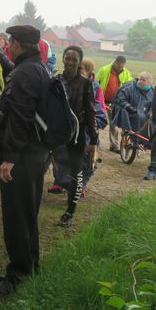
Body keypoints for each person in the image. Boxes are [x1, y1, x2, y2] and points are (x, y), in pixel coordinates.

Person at [0, 25, 50, 295]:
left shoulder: (25, 72)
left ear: (18, 44)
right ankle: (31, 267)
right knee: (28, 214)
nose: (8, 46)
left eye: (10, 41)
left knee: (16, 217)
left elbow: (21, 117)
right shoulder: (39, 68)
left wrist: (9, 158)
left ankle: (18, 275)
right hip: (34, 153)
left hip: (22, 157)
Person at [52, 46, 98, 228]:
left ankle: (70, 212)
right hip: (56, 134)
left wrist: (93, 139)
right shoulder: (56, 81)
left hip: (77, 136)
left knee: (76, 174)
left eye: (74, 60)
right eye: (67, 58)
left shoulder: (86, 84)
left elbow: (90, 112)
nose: (70, 62)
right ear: (63, 59)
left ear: (79, 63)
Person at [111, 72, 155, 162]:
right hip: (130, 112)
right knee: (139, 117)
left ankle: (149, 142)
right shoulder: (129, 88)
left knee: (153, 121)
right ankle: (137, 140)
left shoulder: (152, 92)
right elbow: (120, 99)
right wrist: (129, 107)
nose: (140, 81)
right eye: (140, 79)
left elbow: (153, 105)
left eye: (143, 80)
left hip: (144, 113)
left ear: (149, 82)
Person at [80, 58, 107, 195]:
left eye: (81, 69)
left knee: (88, 158)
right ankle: (61, 181)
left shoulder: (96, 88)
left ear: (89, 72)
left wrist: (93, 123)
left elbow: (101, 109)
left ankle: (83, 183)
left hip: (88, 129)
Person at [96, 56, 132, 152]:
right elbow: (96, 81)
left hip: (116, 103)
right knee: (97, 121)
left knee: (113, 124)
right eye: (118, 65)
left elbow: (129, 86)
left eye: (121, 66)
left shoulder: (126, 73)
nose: (119, 67)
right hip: (103, 101)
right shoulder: (105, 69)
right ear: (115, 62)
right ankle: (95, 141)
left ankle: (114, 145)